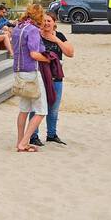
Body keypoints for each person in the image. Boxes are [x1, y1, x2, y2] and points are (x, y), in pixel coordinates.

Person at [27, 12, 73, 147]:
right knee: (36, 107)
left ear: (54, 23)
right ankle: (33, 135)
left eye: (49, 21)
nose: (46, 23)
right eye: (44, 21)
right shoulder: (36, 35)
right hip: (39, 77)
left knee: (53, 108)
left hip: (56, 77)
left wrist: (56, 40)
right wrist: (50, 59)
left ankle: (51, 135)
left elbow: (70, 53)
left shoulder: (59, 36)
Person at [12, 2, 48, 153]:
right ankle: (24, 142)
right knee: (41, 110)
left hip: (18, 71)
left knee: (24, 109)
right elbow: (34, 53)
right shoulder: (32, 30)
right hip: (30, 72)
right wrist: (48, 59)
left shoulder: (18, 27)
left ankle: (19, 141)